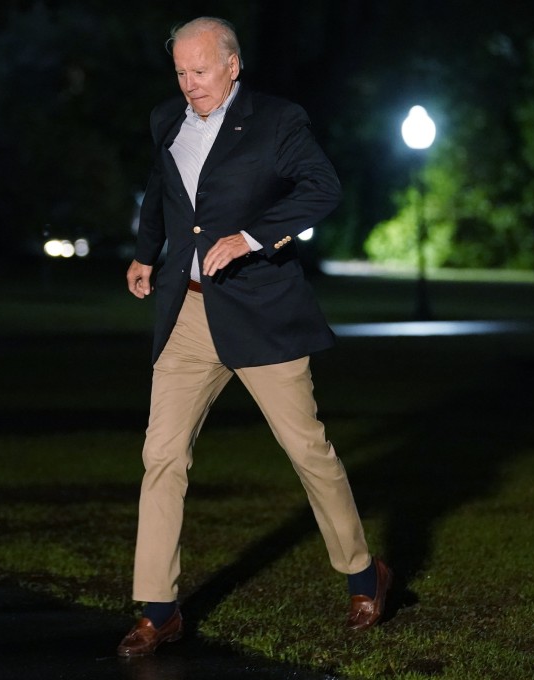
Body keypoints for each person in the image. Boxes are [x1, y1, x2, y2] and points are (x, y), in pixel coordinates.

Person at [118, 16, 391, 658]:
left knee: (307, 450)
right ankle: (159, 610)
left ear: (233, 65)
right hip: (184, 316)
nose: (190, 84)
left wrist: (251, 237)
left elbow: (322, 188)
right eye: (181, 72)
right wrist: (144, 254)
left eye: (201, 71)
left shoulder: (276, 120)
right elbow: (162, 194)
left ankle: (362, 574)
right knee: (162, 457)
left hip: (260, 314)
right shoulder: (167, 120)